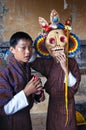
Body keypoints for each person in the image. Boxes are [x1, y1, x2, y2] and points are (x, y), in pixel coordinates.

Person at [30, 9, 81, 130]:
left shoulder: (72, 63)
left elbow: (75, 84)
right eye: (52, 41)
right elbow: (31, 60)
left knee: (68, 125)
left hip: (68, 103)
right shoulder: (48, 63)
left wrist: (65, 68)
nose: (58, 45)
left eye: (62, 40)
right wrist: (34, 44)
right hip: (53, 104)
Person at [0, 31, 44, 130]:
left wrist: (37, 93)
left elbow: (30, 94)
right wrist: (26, 92)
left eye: (30, 47)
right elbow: (4, 109)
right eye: (23, 47)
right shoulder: (4, 73)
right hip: (10, 122)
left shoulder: (25, 68)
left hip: (25, 119)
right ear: (12, 49)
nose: (28, 51)